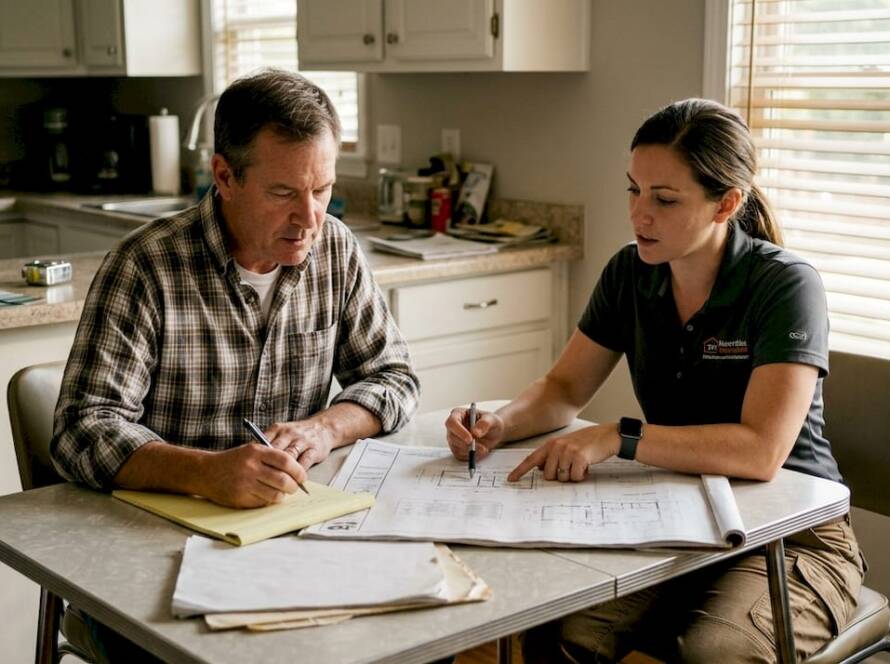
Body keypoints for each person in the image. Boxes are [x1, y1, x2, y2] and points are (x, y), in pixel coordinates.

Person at [445, 99, 864, 663]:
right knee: (557, 631)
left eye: (664, 199)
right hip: (675, 514)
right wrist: (501, 422)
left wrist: (622, 436)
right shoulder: (629, 273)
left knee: (716, 653)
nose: (640, 215)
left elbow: (763, 451)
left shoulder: (786, 286)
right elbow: (564, 389)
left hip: (791, 535)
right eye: (633, 190)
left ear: (727, 204)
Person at [50, 69, 420, 662]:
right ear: (224, 176)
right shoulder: (145, 267)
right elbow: (80, 431)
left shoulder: (336, 250)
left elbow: (395, 378)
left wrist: (325, 427)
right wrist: (206, 473)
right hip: (157, 562)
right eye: (283, 193)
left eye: (322, 189)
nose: (309, 218)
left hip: (293, 547)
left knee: (421, 637)